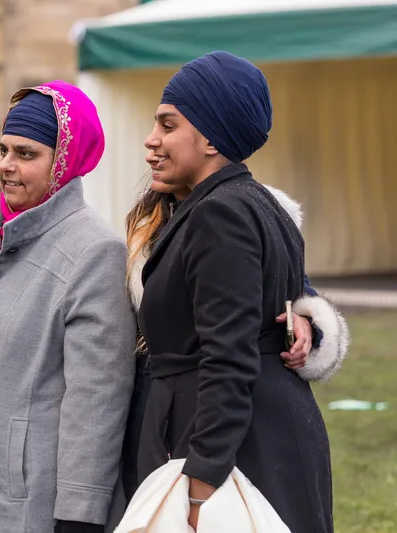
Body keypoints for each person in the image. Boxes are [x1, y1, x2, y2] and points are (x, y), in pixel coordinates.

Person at [135, 51, 333, 532]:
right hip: (264, 430)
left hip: (237, 448)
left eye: (168, 125)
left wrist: (203, 482)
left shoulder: (220, 213)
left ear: (209, 138)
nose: (151, 140)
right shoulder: (252, 202)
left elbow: (229, 356)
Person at [0, 81, 136, 533]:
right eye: (4, 150)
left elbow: (97, 400)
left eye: (26, 154)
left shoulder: (95, 252)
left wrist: (79, 516)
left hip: (24, 505)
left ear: (64, 162)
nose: (6, 165)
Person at [120, 178, 350, 503]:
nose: (153, 143)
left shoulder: (242, 209)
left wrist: (307, 319)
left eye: (169, 127)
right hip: (158, 399)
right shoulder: (146, 224)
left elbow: (291, 288)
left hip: (240, 400)